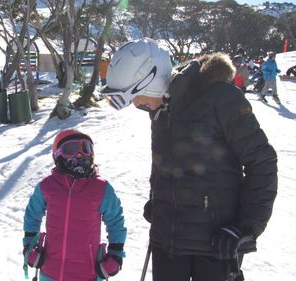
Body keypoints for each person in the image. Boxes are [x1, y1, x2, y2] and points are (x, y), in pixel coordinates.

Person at [100, 38, 277, 281]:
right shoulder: (161, 109)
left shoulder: (221, 98)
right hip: (167, 242)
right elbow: (164, 164)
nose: (135, 104)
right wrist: (159, 200)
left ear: (150, 81)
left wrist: (244, 227)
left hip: (216, 244)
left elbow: (262, 161)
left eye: (135, 96)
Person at [22, 129, 127, 281]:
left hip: (87, 273)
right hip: (50, 271)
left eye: (86, 148)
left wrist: (115, 254)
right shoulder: (47, 186)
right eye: (71, 149)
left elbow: (116, 221)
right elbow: (32, 215)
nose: (80, 154)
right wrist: (30, 246)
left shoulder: (101, 188)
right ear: (57, 154)